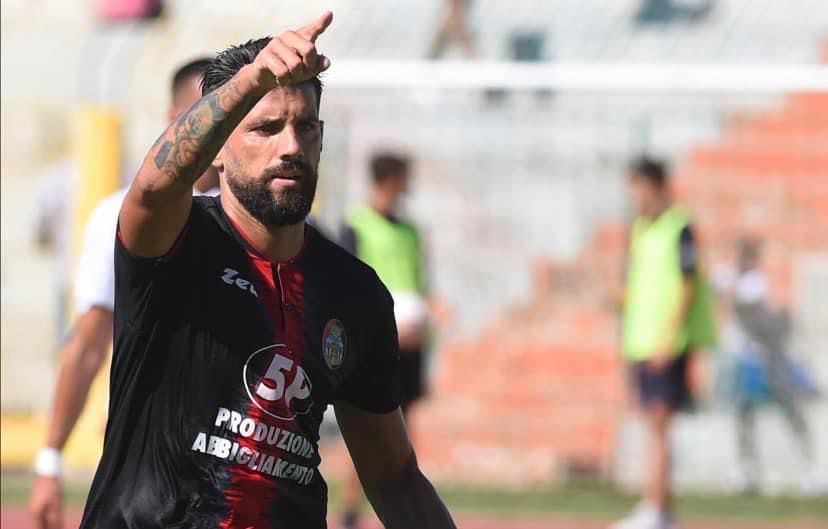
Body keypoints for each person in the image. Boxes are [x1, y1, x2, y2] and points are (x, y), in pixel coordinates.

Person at [78, 12, 456, 528]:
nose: (290, 147)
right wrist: (248, 82)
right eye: (265, 128)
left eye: (305, 128)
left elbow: (395, 478)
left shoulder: (354, 292)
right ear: (218, 150)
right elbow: (153, 188)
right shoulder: (174, 242)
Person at [29, 57, 219, 529]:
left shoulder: (267, 223)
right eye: (206, 112)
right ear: (173, 119)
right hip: (149, 471)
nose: (217, 126)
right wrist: (50, 460)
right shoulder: (120, 216)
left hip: (240, 467)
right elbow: (88, 344)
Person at [611, 157, 716, 529]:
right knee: (652, 423)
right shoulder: (640, 228)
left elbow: (687, 284)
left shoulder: (680, 226)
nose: (634, 196)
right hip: (642, 339)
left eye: (638, 187)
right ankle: (659, 508)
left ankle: (656, 509)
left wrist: (669, 338)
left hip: (665, 343)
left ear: (655, 185)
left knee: (659, 423)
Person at [338, 152, 432, 528]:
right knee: (365, 427)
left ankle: (402, 513)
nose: (409, 185)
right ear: (390, 178)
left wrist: (427, 320)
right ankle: (349, 512)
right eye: (405, 176)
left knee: (405, 428)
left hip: (411, 343)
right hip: (374, 344)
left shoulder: (412, 232)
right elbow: (348, 289)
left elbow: (420, 285)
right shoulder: (355, 225)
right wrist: (384, 330)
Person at [721, 238, 823, 495]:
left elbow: (744, 302)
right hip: (746, 363)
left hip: (769, 362)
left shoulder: (754, 284)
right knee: (743, 414)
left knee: (790, 412)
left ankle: (812, 468)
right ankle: (746, 471)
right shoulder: (735, 280)